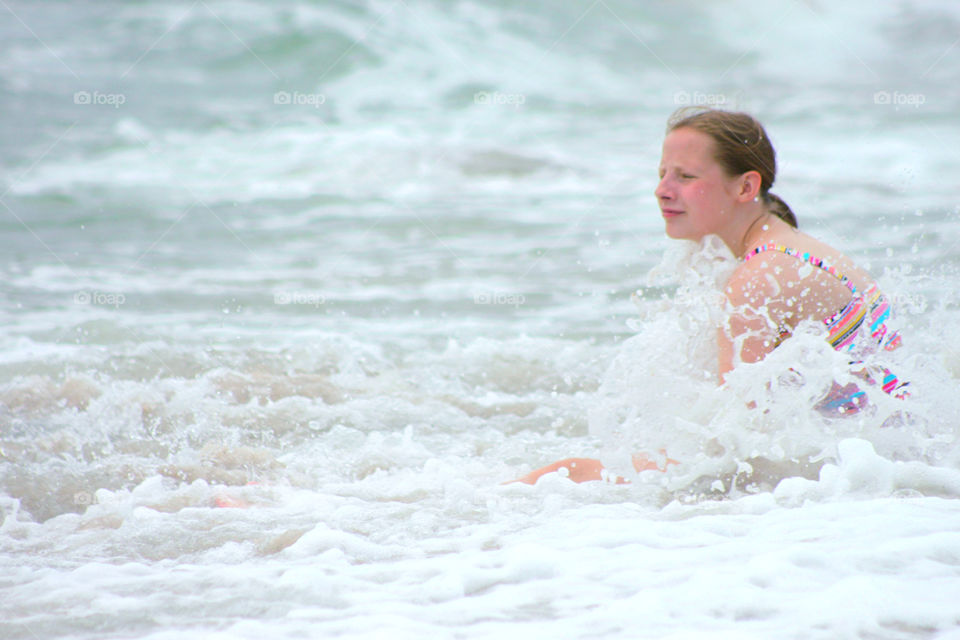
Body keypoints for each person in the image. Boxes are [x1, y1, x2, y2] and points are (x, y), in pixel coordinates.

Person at [512, 107, 906, 485]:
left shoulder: (759, 278)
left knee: (566, 473)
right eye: (662, 173)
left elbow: (737, 445)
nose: (662, 190)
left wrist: (587, 469)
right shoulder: (785, 249)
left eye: (684, 176)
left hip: (868, 468)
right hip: (887, 454)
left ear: (746, 186)